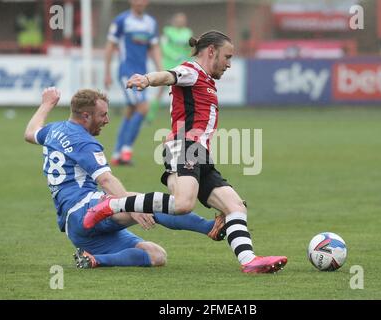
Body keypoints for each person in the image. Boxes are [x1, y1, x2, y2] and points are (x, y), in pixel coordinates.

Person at [90, 31, 288, 274]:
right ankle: (113, 205)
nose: (229, 64)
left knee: (235, 207)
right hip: (184, 146)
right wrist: (147, 79)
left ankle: (249, 261)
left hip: (200, 154)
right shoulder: (191, 70)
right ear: (211, 52)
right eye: (227, 57)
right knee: (184, 204)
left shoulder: (207, 80)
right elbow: (169, 75)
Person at [24, 87, 226, 269]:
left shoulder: (54, 131)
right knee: (148, 203)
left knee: (156, 256)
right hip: (85, 210)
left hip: (74, 227)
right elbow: (106, 180)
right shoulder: (84, 143)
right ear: (85, 116)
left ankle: (93, 260)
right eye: (102, 115)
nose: (107, 120)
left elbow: (30, 133)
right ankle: (211, 227)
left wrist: (46, 104)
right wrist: (131, 205)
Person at [104, 0, 161, 166]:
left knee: (130, 111)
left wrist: (160, 70)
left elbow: (155, 48)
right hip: (126, 73)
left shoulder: (151, 23)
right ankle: (126, 151)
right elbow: (110, 45)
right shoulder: (121, 21)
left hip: (142, 74)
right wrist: (107, 71)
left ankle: (116, 153)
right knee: (143, 108)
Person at [146, 12, 193, 124]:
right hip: (169, 64)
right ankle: (149, 116)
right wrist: (174, 55)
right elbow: (164, 46)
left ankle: (184, 116)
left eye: (183, 19)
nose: (181, 21)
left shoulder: (188, 32)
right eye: (179, 19)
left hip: (182, 66)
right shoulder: (168, 31)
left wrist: (189, 58)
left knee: (185, 92)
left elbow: (189, 48)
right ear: (174, 20)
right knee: (161, 90)